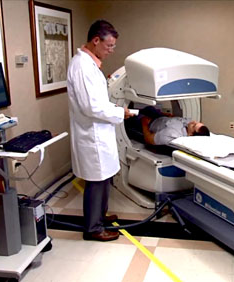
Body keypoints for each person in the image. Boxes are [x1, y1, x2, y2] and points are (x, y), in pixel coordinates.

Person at [67, 20, 133, 241]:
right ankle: (93, 229)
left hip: (98, 131)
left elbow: (97, 101)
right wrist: (119, 113)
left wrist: (114, 110)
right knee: (96, 181)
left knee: (104, 178)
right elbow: (91, 106)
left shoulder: (91, 64)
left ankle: (100, 216)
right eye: (109, 45)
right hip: (91, 134)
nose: (111, 50)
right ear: (96, 40)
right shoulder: (82, 66)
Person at [138, 106, 210, 145]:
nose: (193, 122)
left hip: (149, 123)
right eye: (196, 122)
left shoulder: (173, 134)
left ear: (191, 135)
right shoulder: (188, 125)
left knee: (132, 116)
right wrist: (166, 115)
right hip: (159, 117)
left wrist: (144, 122)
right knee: (150, 108)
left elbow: (149, 139)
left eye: (194, 125)